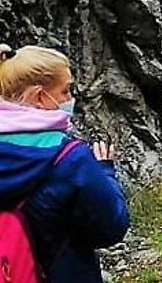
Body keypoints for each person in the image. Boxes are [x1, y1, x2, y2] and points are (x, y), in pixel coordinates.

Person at [0, 44, 129, 283]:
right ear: (40, 96)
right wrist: (105, 171)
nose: (71, 99)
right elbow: (112, 226)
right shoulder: (70, 158)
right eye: (66, 91)